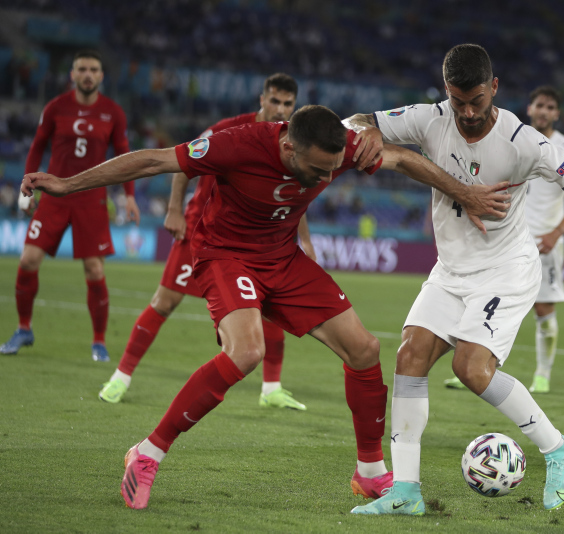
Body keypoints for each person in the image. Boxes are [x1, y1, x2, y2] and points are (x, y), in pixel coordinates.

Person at [21, 104, 511, 510]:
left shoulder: (338, 148)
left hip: (282, 257)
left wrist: (464, 193)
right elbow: (152, 161)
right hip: (224, 254)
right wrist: (66, 184)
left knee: (364, 349)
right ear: (288, 148)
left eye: (332, 168)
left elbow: (401, 159)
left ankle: (370, 472)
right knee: (246, 352)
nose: (326, 177)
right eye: (318, 170)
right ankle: (147, 453)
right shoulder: (236, 145)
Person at [345, 44, 564, 515]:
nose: (468, 112)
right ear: (446, 91)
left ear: (494, 87)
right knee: (409, 357)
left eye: (477, 100)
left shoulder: (523, 141)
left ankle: (559, 448)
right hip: (451, 270)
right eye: (458, 101)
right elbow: (357, 121)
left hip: (506, 269)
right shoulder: (429, 119)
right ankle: (406, 492)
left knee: (471, 368)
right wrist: (363, 131)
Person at [99, 73, 312, 410]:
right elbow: (183, 164)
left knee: (270, 311)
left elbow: (292, 197)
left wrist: (305, 242)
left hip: (254, 242)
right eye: (275, 100)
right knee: (164, 302)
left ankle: (271, 389)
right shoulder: (229, 129)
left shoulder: (292, 143)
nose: (281, 109)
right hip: (203, 232)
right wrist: (175, 211)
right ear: (262, 99)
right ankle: (120, 378)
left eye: (288, 103)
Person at [442, 85, 564, 394]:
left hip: (545, 242)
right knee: (480, 302)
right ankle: (473, 368)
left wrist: (556, 233)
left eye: (550, 107)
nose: (544, 111)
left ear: (557, 114)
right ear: (530, 108)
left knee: (543, 309)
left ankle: (543, 374)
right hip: (505, 240)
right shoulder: (512, 138)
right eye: (540, 105)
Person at [0, 50, 139, 361]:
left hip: (92, 199)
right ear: (72, 74)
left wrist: (129, 195)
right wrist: (27, 187)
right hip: (54, 196)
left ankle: (99, 342)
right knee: (28, 260)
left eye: (93, 69)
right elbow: (37, 146)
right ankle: (23, 328)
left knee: (94, 269)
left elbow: (124, 154)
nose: (88, 74)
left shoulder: (113, 112)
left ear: (101, 75)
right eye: (82, 69)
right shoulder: (55, 107)